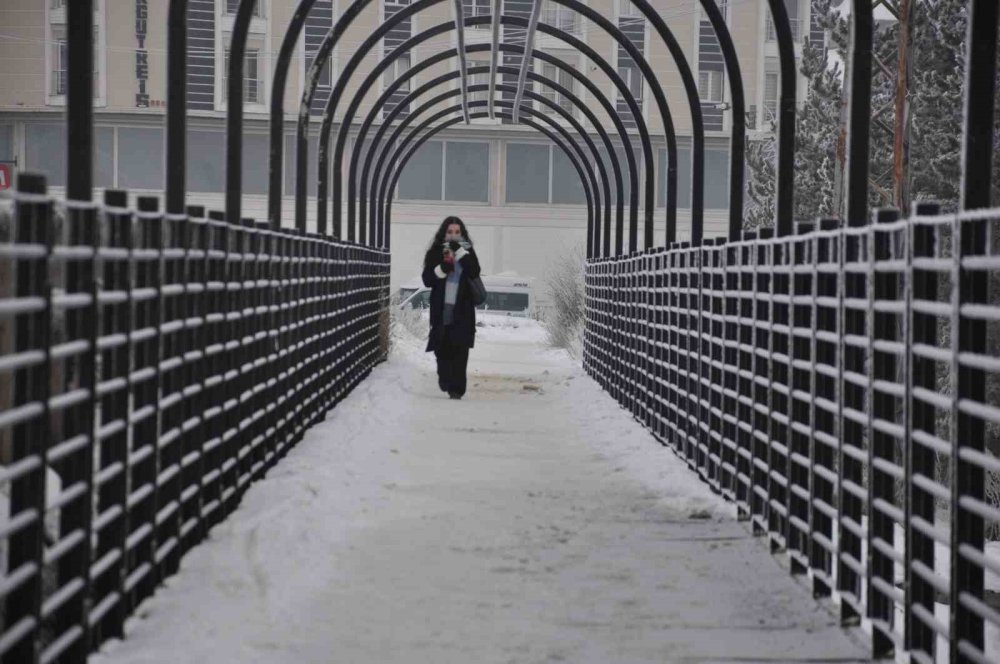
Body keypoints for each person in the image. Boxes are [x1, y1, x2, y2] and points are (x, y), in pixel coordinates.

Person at [421, 216, 482, 399]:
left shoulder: (468, 251)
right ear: (444, 233)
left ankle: (457, 389)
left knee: (460, 351)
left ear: (462, 233)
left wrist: (462, 254)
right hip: (441, 310)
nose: (453, 236)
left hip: (462, 310)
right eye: (450, 232)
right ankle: (444, 378)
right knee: (442, 350)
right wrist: (442, 268)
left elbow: (474, 271)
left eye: (457, 232)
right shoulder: (435, 252)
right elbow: (427, 279)